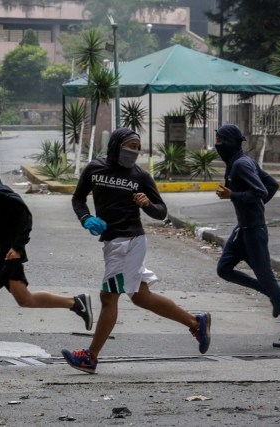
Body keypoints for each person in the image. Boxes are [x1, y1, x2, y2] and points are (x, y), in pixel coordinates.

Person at [61, 127, 211, 374]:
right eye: (129, 146)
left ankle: (90, 357)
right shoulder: (94, 169)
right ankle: (196, 322)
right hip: (112, 241)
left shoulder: (140, 176)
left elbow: (161, 212)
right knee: (141, 296)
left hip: (129, 241)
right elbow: (78, 198)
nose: (133, 152)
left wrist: (147, 204)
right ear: (116, 145)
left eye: (137, 148)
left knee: (108, 297)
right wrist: (86, 218)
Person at [0, 144, 93, 360]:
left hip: (5, 255)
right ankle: (75, 302)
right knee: (25, 299)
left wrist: (18, 247)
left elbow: (26, 218)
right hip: (0, 254)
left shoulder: (1, 193)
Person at [214, 124, 280, 348]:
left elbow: (262, 191)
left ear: (230, 142)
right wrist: (252, 207)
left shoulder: (241, 164)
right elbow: (272, 184)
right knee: (224, 269)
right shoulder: (238, 162)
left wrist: (233, 195)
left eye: (219, 141)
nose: (216, 145)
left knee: (267, 278)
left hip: (254, 232)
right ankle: (270, 292)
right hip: (242, 230)